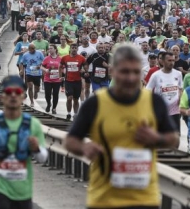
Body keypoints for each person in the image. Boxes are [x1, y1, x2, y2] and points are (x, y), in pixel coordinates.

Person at [65, 43, 178, 209]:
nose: (131, 78)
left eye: (135, 72)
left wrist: (157, 138)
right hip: (105, 198)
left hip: (145, 198)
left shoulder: (154, 102)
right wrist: (84, 149)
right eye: (125, 71)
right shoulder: (95, 103)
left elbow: (173, 140)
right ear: (113, 71)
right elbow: (70, 141)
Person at [0, 76, 47, 209]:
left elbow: (42, 158)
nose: (13, 96)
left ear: (23, 98)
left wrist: (36, 148)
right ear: (2, 97)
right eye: (8, 92)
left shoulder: (32, 124)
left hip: (23, 189)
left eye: (17, 92)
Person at [145, 51, 183, 137]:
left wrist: (180, 96)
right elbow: (148, 90)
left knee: (175, 136)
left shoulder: (178, 74)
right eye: (169, 60)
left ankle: (173, 150)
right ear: (162, 61)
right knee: (161, 136)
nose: (172, 63)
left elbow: (180, 88)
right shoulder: (156, 75)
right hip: (161, 110)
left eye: (173, 60)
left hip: (175, 110)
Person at [60, 44, 86, 120]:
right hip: (68, 81)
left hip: (77, 81)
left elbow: (85, 66)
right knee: (69, 98)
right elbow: (60, 66)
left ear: (77, 49)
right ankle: (68, 113)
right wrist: (60, 76)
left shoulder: (81, 58)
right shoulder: (65, 58)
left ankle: (75, 114)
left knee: (76, 99)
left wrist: (84, 70)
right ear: (70, 49)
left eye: (75, 48)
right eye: (72, 48)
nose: (74, 49)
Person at [41, 44, 62, 114]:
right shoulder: (46, 58)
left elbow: (63, 67)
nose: (49, 50)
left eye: (51, 48)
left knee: (56, 94)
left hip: (57, 80)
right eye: (49, 49)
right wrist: (45, 70)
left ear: (55, 49)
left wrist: (63, 74)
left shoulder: (60, 59)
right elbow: (41, 66)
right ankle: (48, 104)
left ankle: (54, 108)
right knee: (47, 94)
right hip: (48, 79)